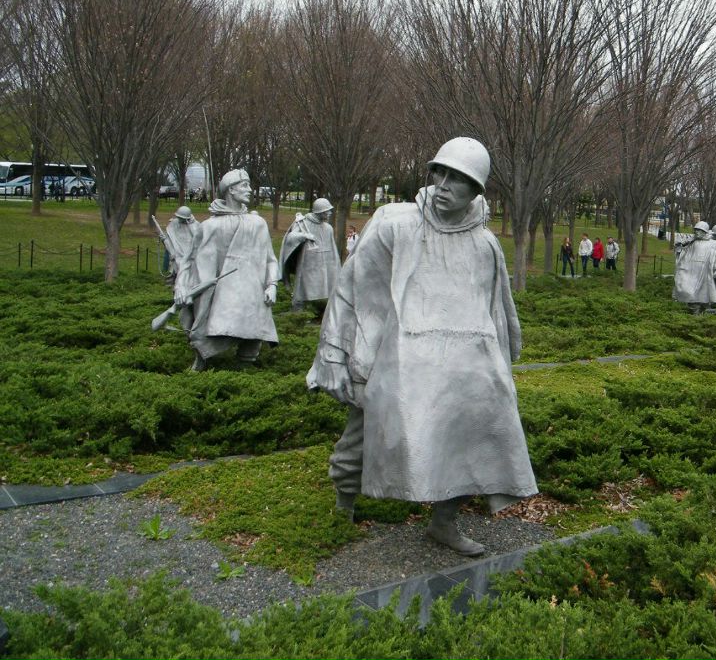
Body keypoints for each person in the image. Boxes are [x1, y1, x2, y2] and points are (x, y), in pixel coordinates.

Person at [306, 137, 537, 556]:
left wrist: (498, 371)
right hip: (398, 362)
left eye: (459, 180)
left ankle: (443, 523)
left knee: (471, 441)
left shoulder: (485, 245)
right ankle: (342, 511)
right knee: (362, 434)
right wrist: (339, 355)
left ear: (477, 191)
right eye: (441, 174)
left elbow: (496, 311)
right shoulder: (396, 223)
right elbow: (354, 289)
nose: (445, 186)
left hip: (464, 369)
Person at [176, 169, 279, 371]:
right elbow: (188, 261)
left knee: (251, 340)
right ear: (231, 190)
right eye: (244, 185)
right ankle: (203, 362)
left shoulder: (258, 223)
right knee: (210, 331)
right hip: (219, 298)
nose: (250, 190)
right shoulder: (209, 226)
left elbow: (270, 259)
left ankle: (245, 375)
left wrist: (272, 285)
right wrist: (181, 287)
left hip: (252, 295)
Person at [280, 198, 341, 312]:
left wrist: (335, 266)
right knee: (304, 288)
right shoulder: (303, 222)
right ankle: (298, 311)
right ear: (320, 212)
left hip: (324, 262)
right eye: (327, 211)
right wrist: (303, 235)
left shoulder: (328, 228)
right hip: (308, 262)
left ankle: (325, 311)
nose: (329, 213)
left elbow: (332, 249)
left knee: (325, 286)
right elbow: (290, 238)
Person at [673, 221, 716, 314]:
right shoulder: (691, 242)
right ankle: (694, 311)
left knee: (703, 294)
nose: (696, 232)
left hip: (705, 271)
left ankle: (700, 312)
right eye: (695, 230)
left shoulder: (715, 244)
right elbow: (681, 252)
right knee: (689, 291)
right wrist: (681, 245)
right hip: (690, 271)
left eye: (699, 231)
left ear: (705, 232)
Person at [162, 206, 201, 291]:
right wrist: (165, 239)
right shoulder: (174, 223)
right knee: (176, 269)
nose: (179, 220)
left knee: (190, 272)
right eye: (179, 217)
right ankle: (176, 285)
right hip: (177, 253)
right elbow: (170, 236)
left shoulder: (195, 225)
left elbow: (198, 239)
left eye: (182, 218)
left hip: (190, 255)